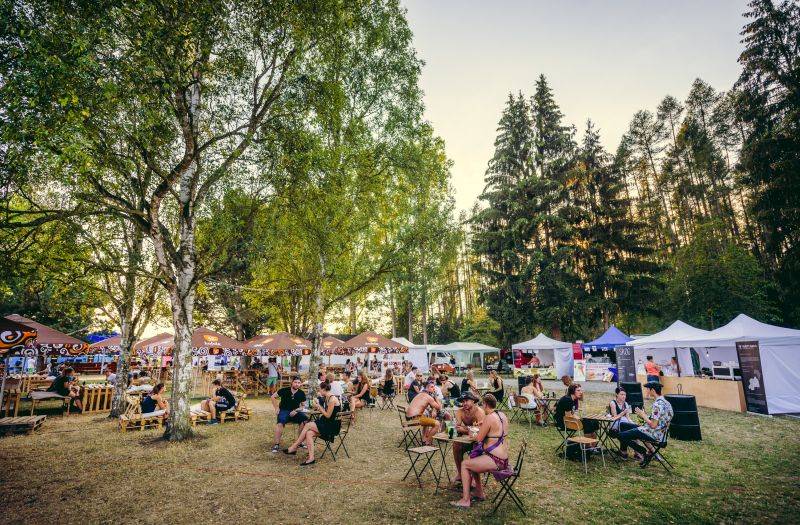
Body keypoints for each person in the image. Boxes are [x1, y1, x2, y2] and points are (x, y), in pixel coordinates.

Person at [450, 393, 509, 509]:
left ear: (486, 404)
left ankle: (465, 500)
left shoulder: (488, 417)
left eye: (483, 405)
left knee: (465, 464)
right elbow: (495, 430)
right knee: (473, 459)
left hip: (495, 460)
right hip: (504, 458)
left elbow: (478, 438)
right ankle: (479, 492)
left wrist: (470, 431)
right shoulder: (502, 415)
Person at [283, 381, 341, 466]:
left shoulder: (332, 399)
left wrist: (319, 406)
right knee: (309, 433)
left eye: (319, 389)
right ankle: (311, 458)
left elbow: (328, 415)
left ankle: (294, 447)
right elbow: (325, 412)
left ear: (324, 389)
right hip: (326, 422)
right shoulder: (326, 397)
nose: (319, 391)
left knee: (307, 425)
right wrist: (317, 406)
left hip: (331, 426)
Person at [618, 382, 673, 464]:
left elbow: (653, 425)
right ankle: (643, 452)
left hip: (653, 434)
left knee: (621, 435)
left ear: (653, 390)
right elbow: (659, 420)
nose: (646, 391)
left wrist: (643, 415)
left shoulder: (657, 405)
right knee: (628, 427)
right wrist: (644, 416)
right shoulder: (667, 403)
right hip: (662, 435)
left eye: (647, 389)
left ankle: (643, 452)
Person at [451, 391, 485, 487]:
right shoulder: (460, 412)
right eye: (463, 401)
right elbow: (457, 427)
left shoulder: (479, 412)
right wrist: (456, 428)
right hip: (467, 439)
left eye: (466, 400)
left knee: (476, 446)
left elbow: (480, 431)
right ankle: (459, 474)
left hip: (479, 441)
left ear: (473, 401)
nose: (464, 403)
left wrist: (464, 429)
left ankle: (475, 478)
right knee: (456, 444)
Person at [270, 376, 308, 453]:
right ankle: (276, 444)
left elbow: (303, 406)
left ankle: (300, 442)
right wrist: (277, 408)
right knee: (280, 423)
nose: (297, 384)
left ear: (300, 384)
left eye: (299, 383)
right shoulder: (284, 390)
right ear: (292, 383)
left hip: (295, 412)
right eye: (295, 382)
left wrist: (296, 410)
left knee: (304, 420)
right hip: (284, 410)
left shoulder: (301, 393)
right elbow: (273, 397)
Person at [406, 380, 443, 445]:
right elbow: (439, 407)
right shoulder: (428, 397)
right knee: (437, 424)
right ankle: (428, 442)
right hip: (414, 419)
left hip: (409, 418)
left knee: (426, 417)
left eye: (434, 387)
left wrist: (432, 410)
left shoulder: (420, 394)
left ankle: (424, 439)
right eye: (432, 387)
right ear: (427, 388)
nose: (434, 389)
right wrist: (436, 397)